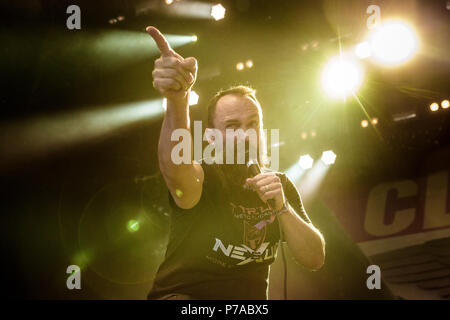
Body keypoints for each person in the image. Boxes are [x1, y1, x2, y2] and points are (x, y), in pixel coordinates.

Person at [145, 26, 325, 300]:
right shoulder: (205, 177)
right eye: (231, 126)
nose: (244, 134)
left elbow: (314, 257)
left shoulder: (279, 185)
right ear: (212, 138)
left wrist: (283, 208)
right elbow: (175, 169)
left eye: (252, 124)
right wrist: (177, 98)